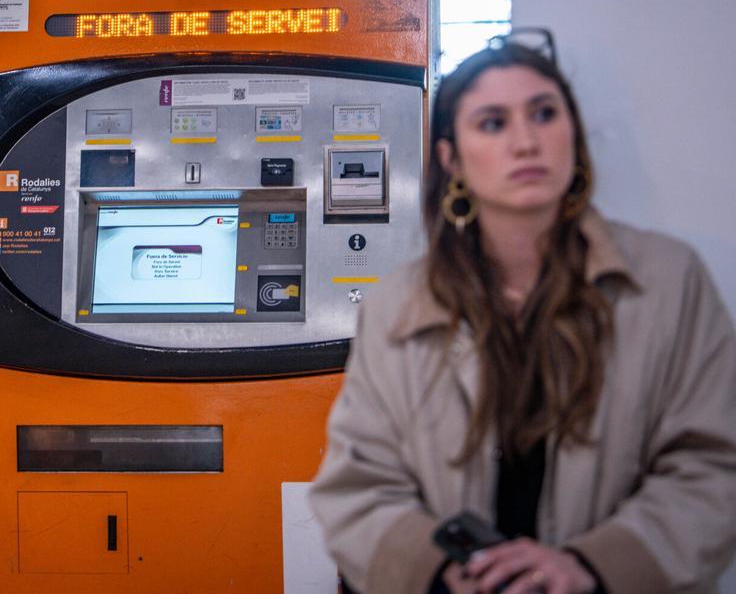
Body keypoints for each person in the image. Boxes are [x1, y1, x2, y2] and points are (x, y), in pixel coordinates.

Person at [308, 33, 736, 594]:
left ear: (573, 135)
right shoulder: (399, 304)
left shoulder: (667, 281)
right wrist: (440, 573)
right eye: (493, 122)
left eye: (544, 114)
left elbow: (711, 468)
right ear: (451, 158)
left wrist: (593, 566)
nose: (527, 141)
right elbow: (358, 487)